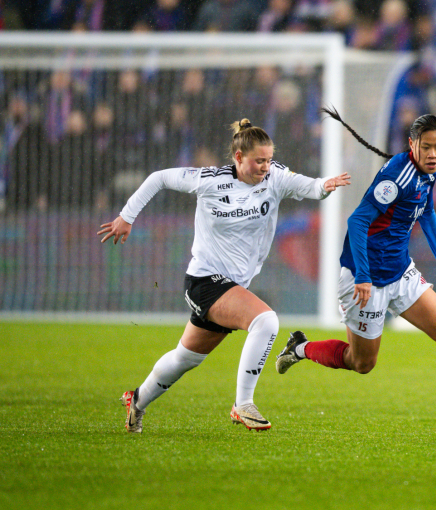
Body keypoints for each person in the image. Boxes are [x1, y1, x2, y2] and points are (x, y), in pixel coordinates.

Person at [98, 118, 350, 433]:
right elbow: (158, 178)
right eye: (259, 160)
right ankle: (243, 404)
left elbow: (310, 187)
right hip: (205, 281)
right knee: (266, 321)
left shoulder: (275, 177)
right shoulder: (209, 180)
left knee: (185, 359)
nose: (265, 167)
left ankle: (137, 401)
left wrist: (325, 185)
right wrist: (126, 216)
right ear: (238, 157)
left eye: (269, 160)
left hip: (232, 286)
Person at [275, 108, 436, 438]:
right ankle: (300, 348)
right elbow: (357, 221)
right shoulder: (396, 177)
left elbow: (425, 210)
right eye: (426, 147)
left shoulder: (428, 173)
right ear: (412, 144)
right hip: (365, 277)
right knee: (362, 363)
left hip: (400, 271)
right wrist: (364, 276)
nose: (433, 154)